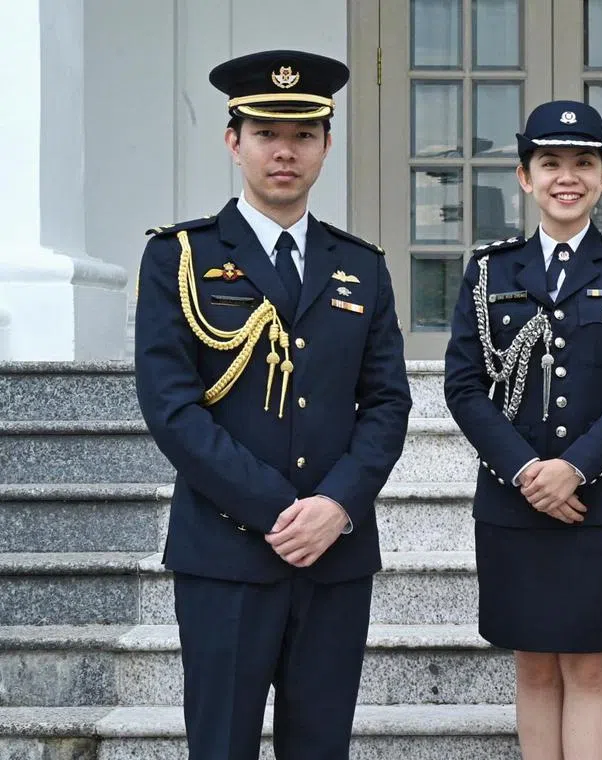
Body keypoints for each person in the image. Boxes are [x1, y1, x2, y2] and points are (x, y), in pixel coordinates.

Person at [134, 49, 411, 759]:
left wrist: (336, 506)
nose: (284, 152)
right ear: (234, 143)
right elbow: (173, 409)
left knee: (320, 747)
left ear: (325, 144)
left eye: (303, 136)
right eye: (265, 134)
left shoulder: (361, 266)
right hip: (225, 551)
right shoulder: (181, 258)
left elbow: (386, 404)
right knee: (221, 745)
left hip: (334, 554)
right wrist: (279, 512)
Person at [444, 100, 602, 759]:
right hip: (514, 503)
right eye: (550, 163)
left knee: (591, 665)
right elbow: (463, 385)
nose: (565, 177)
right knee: (534, 663)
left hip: (601, 502)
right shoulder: (490, 271)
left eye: (582, 163)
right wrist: (523, 471)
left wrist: (574, 468)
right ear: (524, 177)